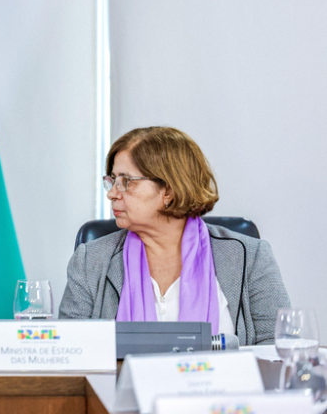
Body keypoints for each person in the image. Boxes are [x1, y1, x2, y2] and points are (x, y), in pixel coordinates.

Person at [59, 126, 290, 345]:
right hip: (121, 387)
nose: (111, 194)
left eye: (125, 182)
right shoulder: (90, 261)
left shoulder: (250, 257)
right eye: (111, 181)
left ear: (168, 190)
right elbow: (70, 355)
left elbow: (279, 350)